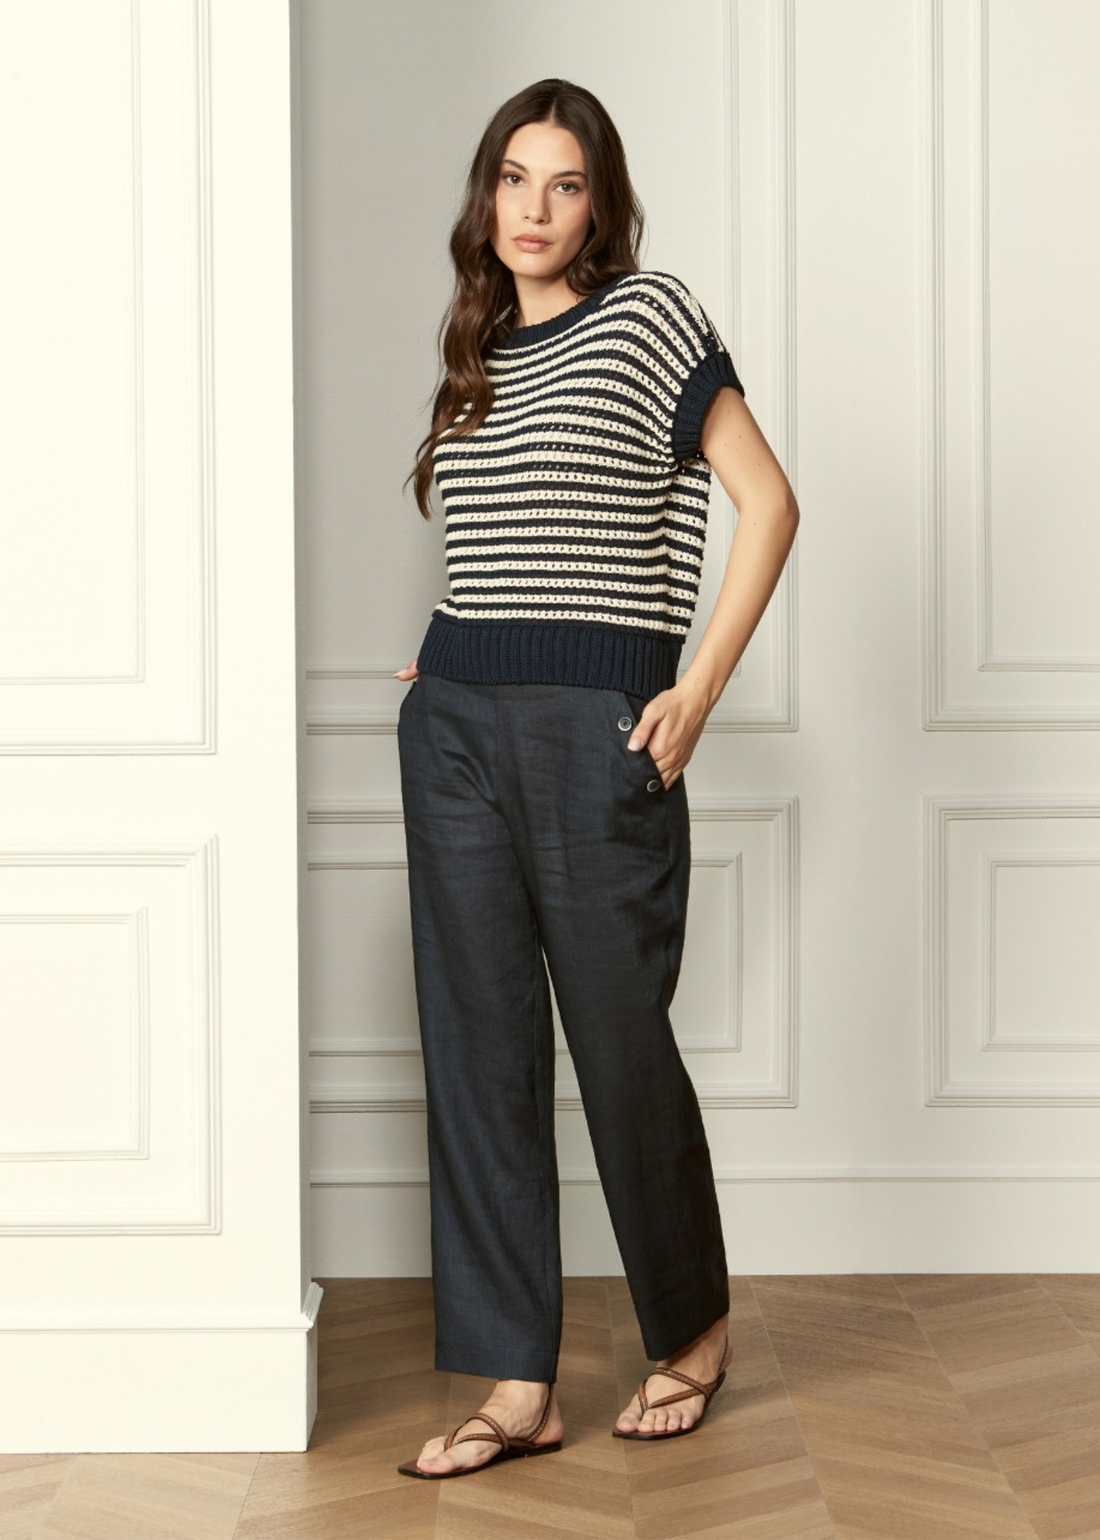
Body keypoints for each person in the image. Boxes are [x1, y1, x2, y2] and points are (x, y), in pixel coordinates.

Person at [393, 79, 799, 1480]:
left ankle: (692, 1328)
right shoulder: (477, 349)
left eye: (564, 183)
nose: (535, 208)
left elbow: (769, 501)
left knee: (621, 1038)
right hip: (457, 721)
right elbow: (499, 542)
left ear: (600, 203)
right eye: (514, 178)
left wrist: (700, 687)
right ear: (487, 195)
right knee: (478, 1048)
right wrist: (448, 659)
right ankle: (518, 1382)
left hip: (600, 729)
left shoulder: (649, 319)